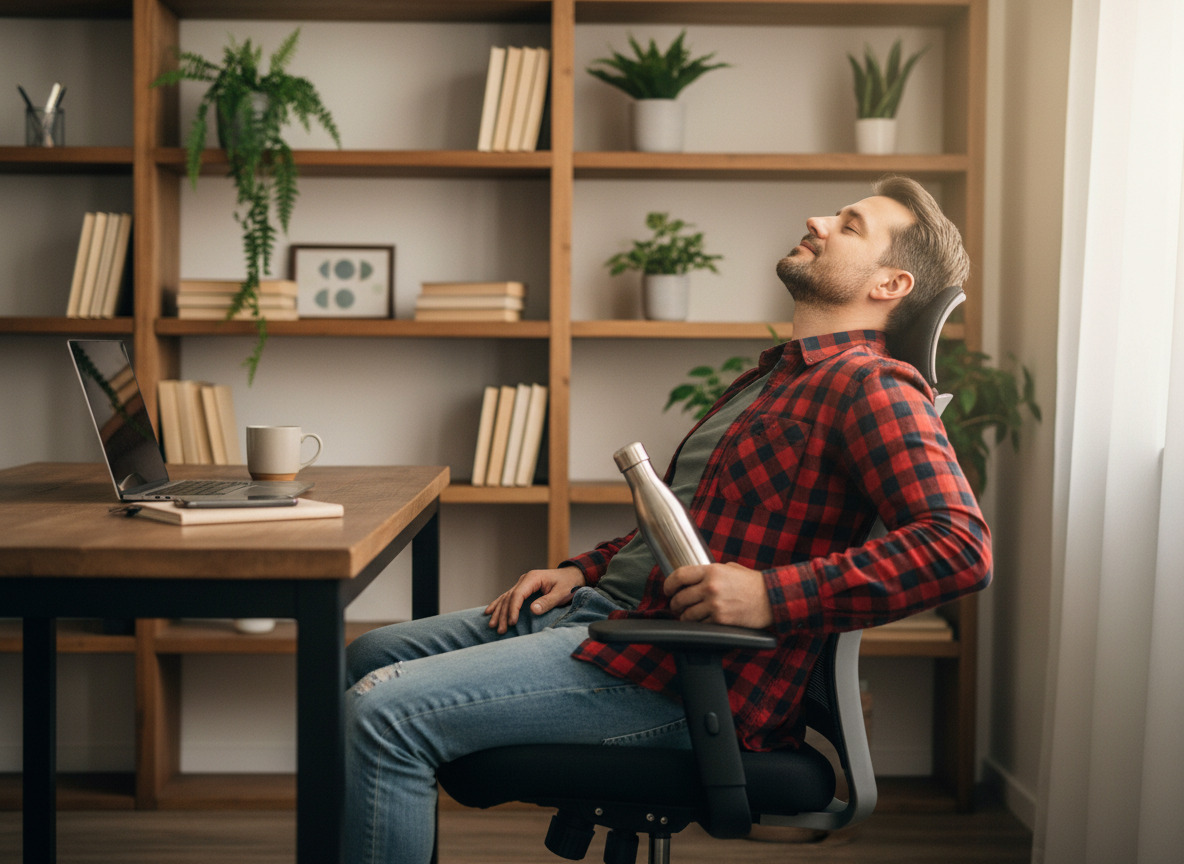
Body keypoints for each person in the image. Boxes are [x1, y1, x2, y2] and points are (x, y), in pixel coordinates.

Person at [344, 175, 992, 864]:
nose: (818, 220)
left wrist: (768, 595)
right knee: (367, 656)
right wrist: (582, 569)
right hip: (609, 615)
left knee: (381, 715)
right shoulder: (772, 380)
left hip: (676, 675)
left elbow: (960, 548)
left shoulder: (873, 386)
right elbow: (693, 523)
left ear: (890, 284)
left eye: (850, 224)